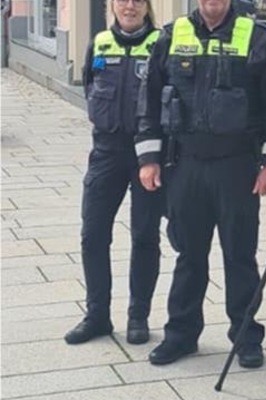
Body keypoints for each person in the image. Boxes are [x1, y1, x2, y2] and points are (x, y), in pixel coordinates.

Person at [134, 0, 266, 368]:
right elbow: (148, 103)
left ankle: (245, 337)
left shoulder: (257, 38)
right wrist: (148, 158)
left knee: (240, 255)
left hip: (237, 167)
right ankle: (181, 335)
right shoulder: (172, 36)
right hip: (185, 164)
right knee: (188, 255)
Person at [64, 0, 162, 346]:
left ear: (147, 7)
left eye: (138, 0)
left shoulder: (160, 45)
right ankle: (97, 315)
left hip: (147, 153)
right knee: (92, 233)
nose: (130, 6)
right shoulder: (100, 41)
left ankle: (139, 315)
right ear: (112, 5)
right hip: (105, 151)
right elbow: (90, 87)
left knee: (145, 236)